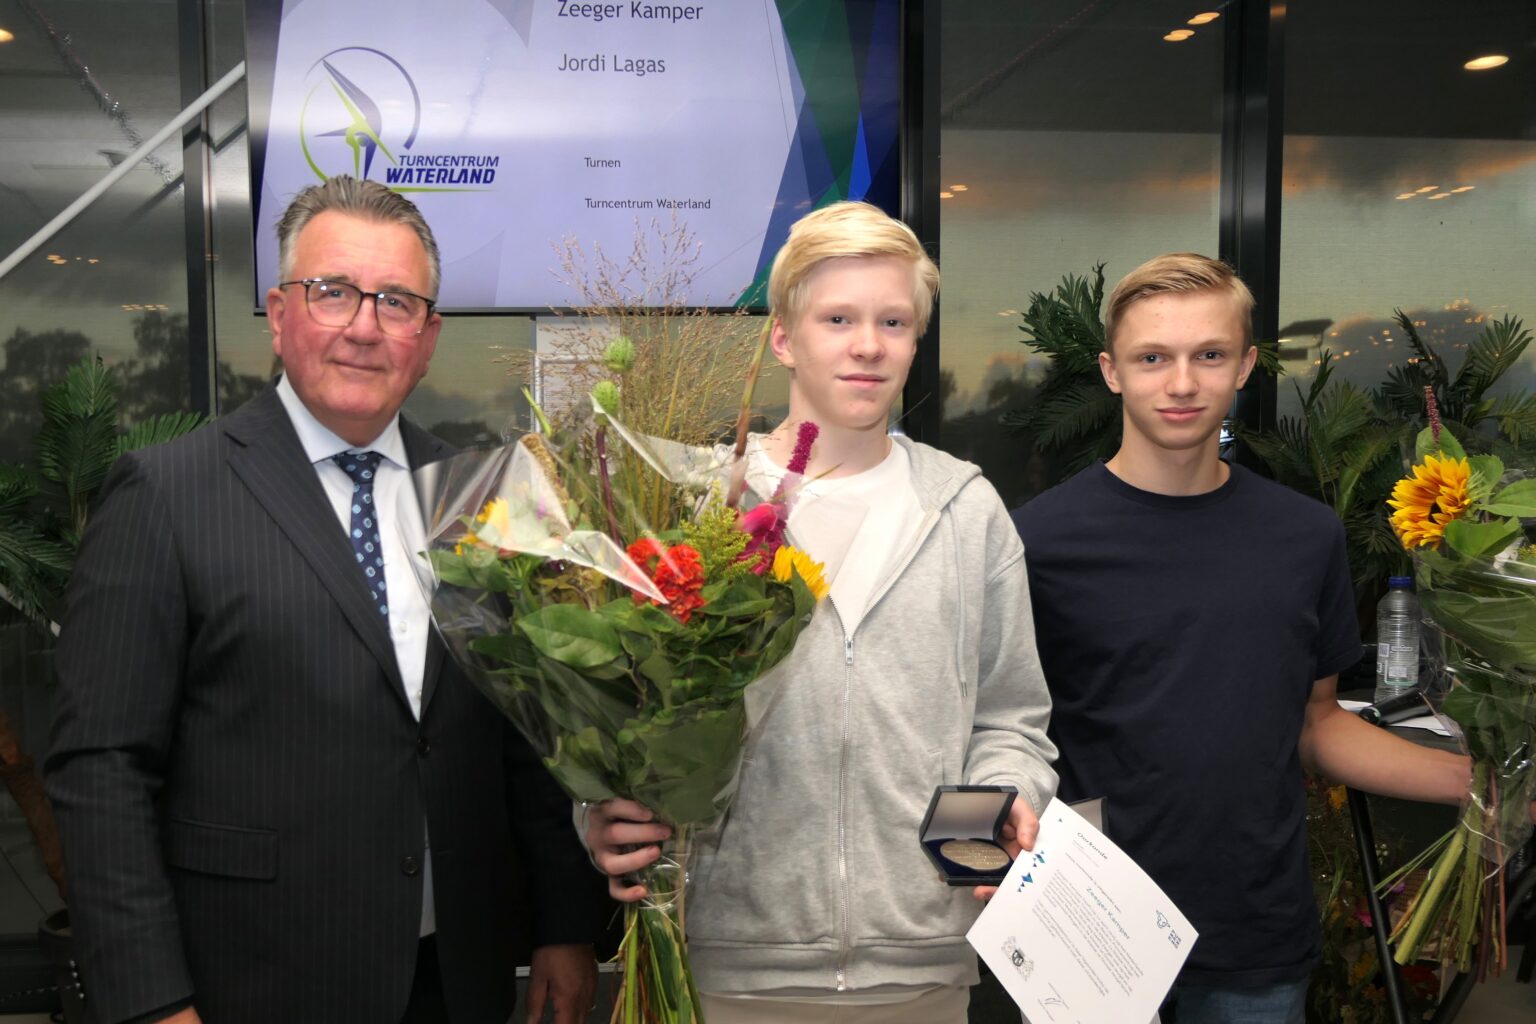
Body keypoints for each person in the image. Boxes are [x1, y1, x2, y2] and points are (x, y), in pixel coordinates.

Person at [46, 176, 607, 1024]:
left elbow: (524, 736)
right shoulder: (166, 495)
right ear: (279, 314)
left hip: (456, 980)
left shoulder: (479, 496)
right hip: (254, 983)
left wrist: (564, 925)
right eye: (333, 291)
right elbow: (102, 769)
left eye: (396, 302)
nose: (364, 327)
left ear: (428, 336)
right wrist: (152, 1001)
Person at [585, 201, 1058, 1024]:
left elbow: (1010, 715)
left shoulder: (966, 511)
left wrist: (1006, 794)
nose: (868, 345)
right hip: (726, 965)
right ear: (782, 338)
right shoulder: (698, 506)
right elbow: (616, 716)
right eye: (838, 318)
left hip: (920, 967)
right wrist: (597, 810)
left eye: (893, 321)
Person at [1012, 253, 1477, 1024]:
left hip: (1254, 932)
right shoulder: (1036, 541)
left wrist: (1483, 785)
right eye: (1152, 358)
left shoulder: (1305, 537)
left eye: (1209, 355)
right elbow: (1003, 735)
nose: (1182, 382)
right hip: (1088, 932)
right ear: (1111, 372)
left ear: (1246, 366)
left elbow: (1317, 725)